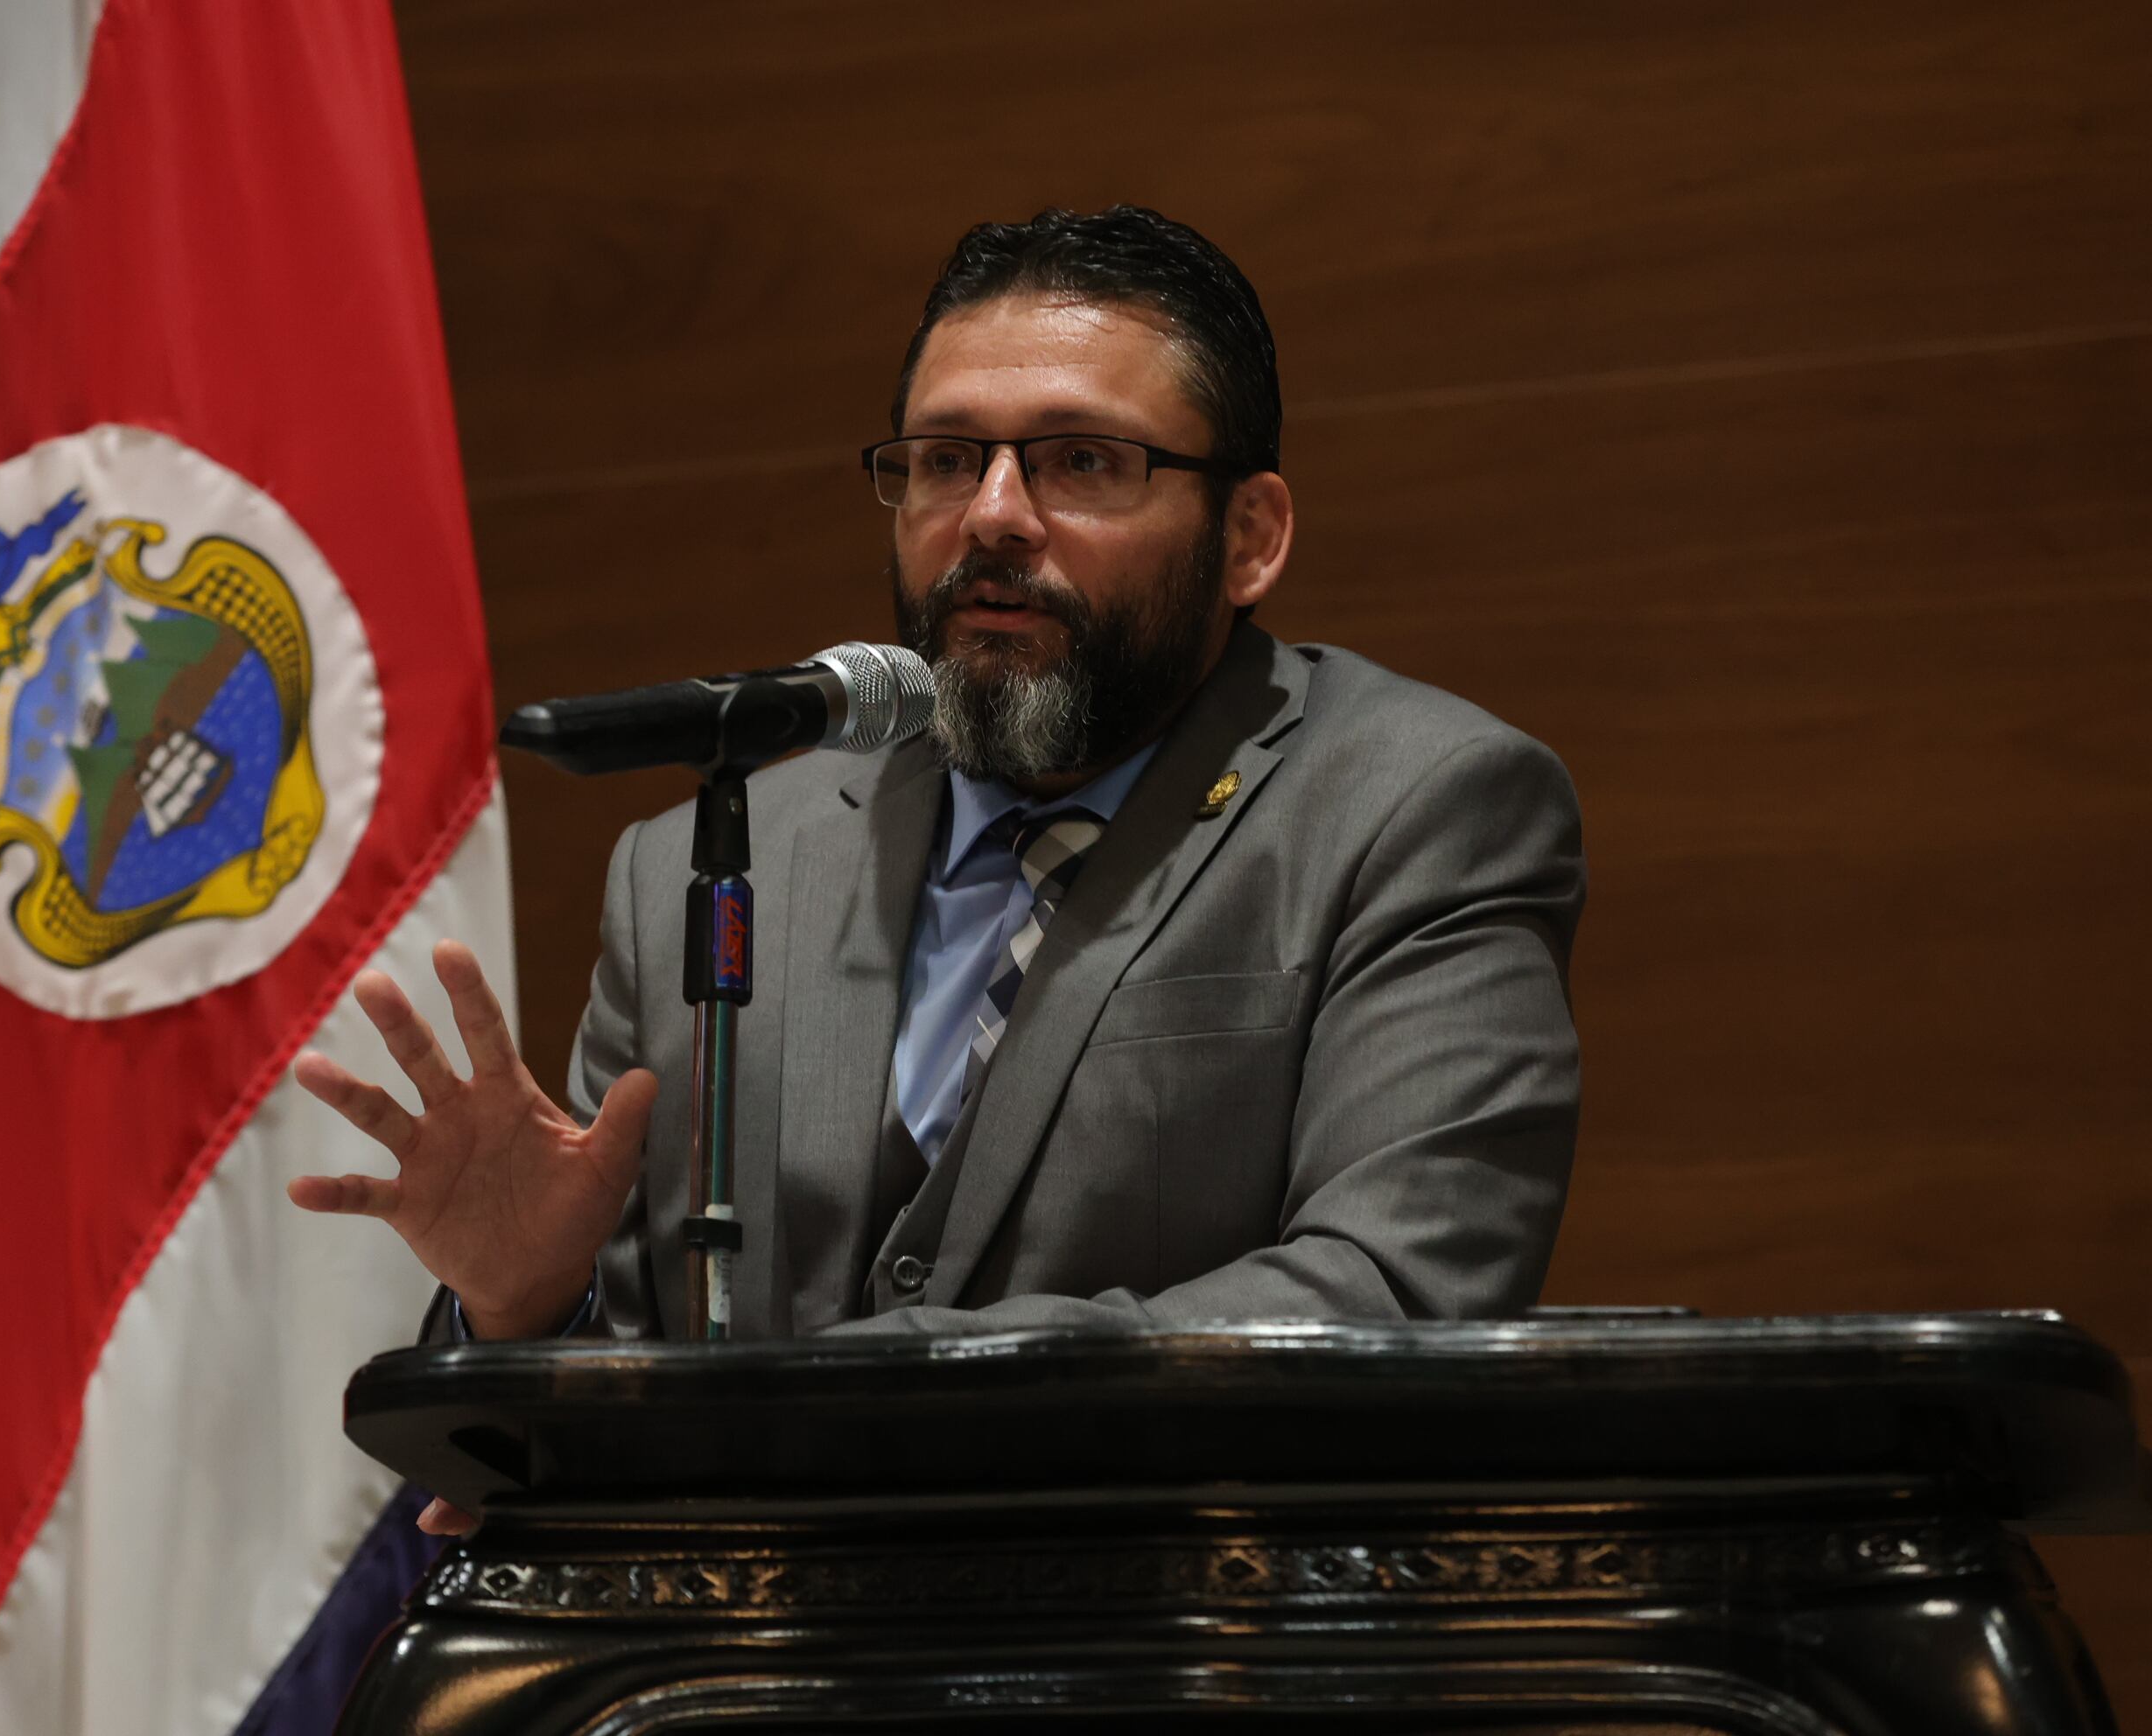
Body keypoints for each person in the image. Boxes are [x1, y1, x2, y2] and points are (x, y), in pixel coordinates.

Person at [291, 209, 1585, 1526]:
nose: (994, 517)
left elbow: (1396, 1296)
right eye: (945, 461)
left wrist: (860, 1394)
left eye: (1082, 461)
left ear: (1250, 536)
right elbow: (634, 1396)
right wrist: (525, 1304)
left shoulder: (1420, 806)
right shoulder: (707, 859)